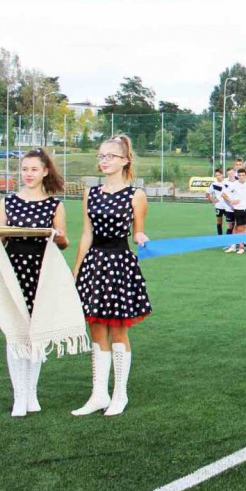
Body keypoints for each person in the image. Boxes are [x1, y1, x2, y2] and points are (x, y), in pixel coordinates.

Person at [0, 148, 70, 417]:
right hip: (13, 271)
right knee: (15, 334)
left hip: (42, 272)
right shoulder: (8, 202)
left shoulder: (55, 205)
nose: (28, 174)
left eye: (34, 169)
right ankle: (19, 397)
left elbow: (64, 242)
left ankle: (31, 394)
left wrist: (58, 236)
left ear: (45, 172)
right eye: (24, 169)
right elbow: (1, 236)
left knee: (36, 334)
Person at [71, 135, 153, 417]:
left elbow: (137, 231)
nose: (103, 161)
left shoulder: (136, 195)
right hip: (94, 264)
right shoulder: (91, 193)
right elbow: (86, 234)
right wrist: (77, 269)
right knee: (96, 329)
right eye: (101, 156)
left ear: (125, 161)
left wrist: (141, 237)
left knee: (118, 330)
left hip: (119, 264)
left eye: (110, 156)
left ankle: (120, 394)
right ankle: (98, 394)